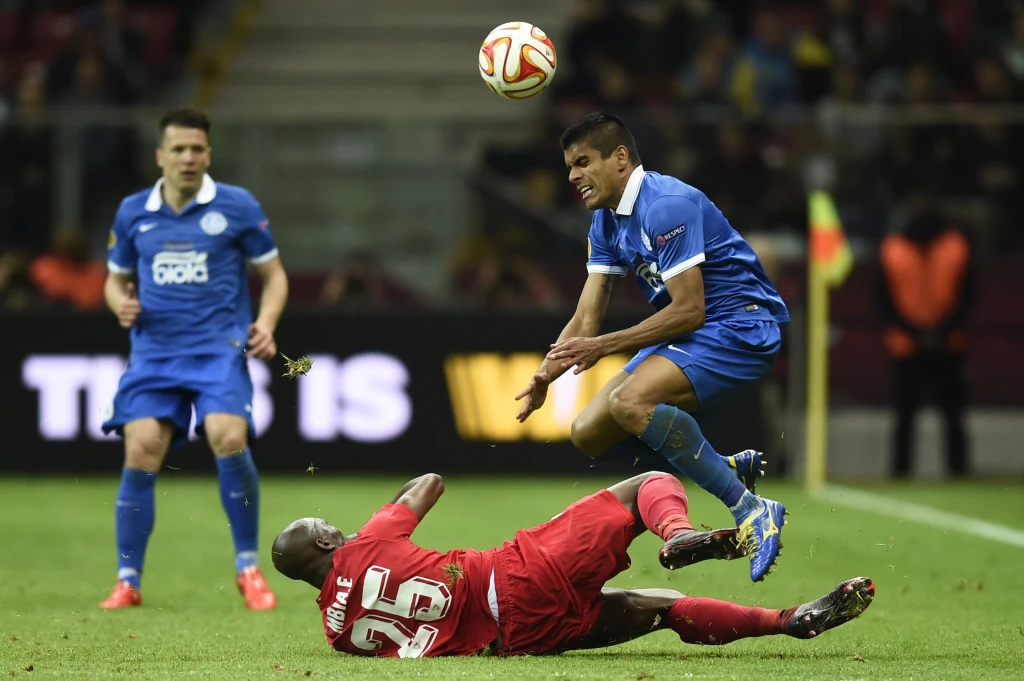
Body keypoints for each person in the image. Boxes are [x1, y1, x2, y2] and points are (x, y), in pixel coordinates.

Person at [514, 112, 791, 582]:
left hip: (741, 326)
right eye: (569, 167)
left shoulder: (666, 206)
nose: (573, 176)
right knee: (587, 432)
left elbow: (690, 310)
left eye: (583, 162)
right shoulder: (605, 222)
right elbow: (586, 318)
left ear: (620, 158)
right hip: (693, 331)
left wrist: (605, 345)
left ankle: (751, 509)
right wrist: (546, 372)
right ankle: (718, 466)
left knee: (629, 401)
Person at [271, 472, 874, 658]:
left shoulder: (336, 633)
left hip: (519, 640)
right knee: (648, 485)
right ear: (325, 544)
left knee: (660, 609)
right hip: (514, 576)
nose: (335, 528)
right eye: (326, 528)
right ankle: (679, 534)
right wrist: (367, 531)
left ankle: (790, 620)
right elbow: (428, 483)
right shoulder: (366, 542)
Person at [98, 107, 289, 610]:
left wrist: (266, 324)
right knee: (142, 448)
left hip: (217, 350)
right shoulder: (133, 211)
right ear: (159, 155)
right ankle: (127, 580)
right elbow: (114, 281)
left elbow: (274, 277)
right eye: (178, 149)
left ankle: (248, 568)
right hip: (155, 353)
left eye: (197, 149)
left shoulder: (238, 206)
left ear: (208, 154)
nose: (188, 157)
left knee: (229, 436)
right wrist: (121, 305)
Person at [878, 194, 975, 478]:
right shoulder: (893, 247)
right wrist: (914, 332)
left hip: (949, 344)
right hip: (906, 346)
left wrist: (941, 331)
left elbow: (968, 295)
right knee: (904, 416)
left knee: (953, 415)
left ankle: (959, 472)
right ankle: (901, 472)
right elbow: (883, 300)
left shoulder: (957, 245)